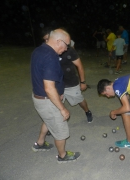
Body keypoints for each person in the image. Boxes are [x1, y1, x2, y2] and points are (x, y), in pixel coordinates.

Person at [31, 29, 80, 163]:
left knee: (48, 121)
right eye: (66, 45)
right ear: (58, 41)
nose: (66, 49)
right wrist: (62, 108)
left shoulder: (39, 50)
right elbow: (49, 88)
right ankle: (62, 156)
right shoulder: (50, 57)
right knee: (60, 131)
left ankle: (39, 143)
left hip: (39, 98)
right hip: (49, 101)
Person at [59, 40, 93, 123]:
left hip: (71, 82)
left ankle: (87, 111)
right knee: (56, 104)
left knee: (79, 99)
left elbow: (80, 66)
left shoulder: (70, 51)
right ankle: (54, 124)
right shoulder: (51, 51)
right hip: (57, 83)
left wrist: (83, 82)